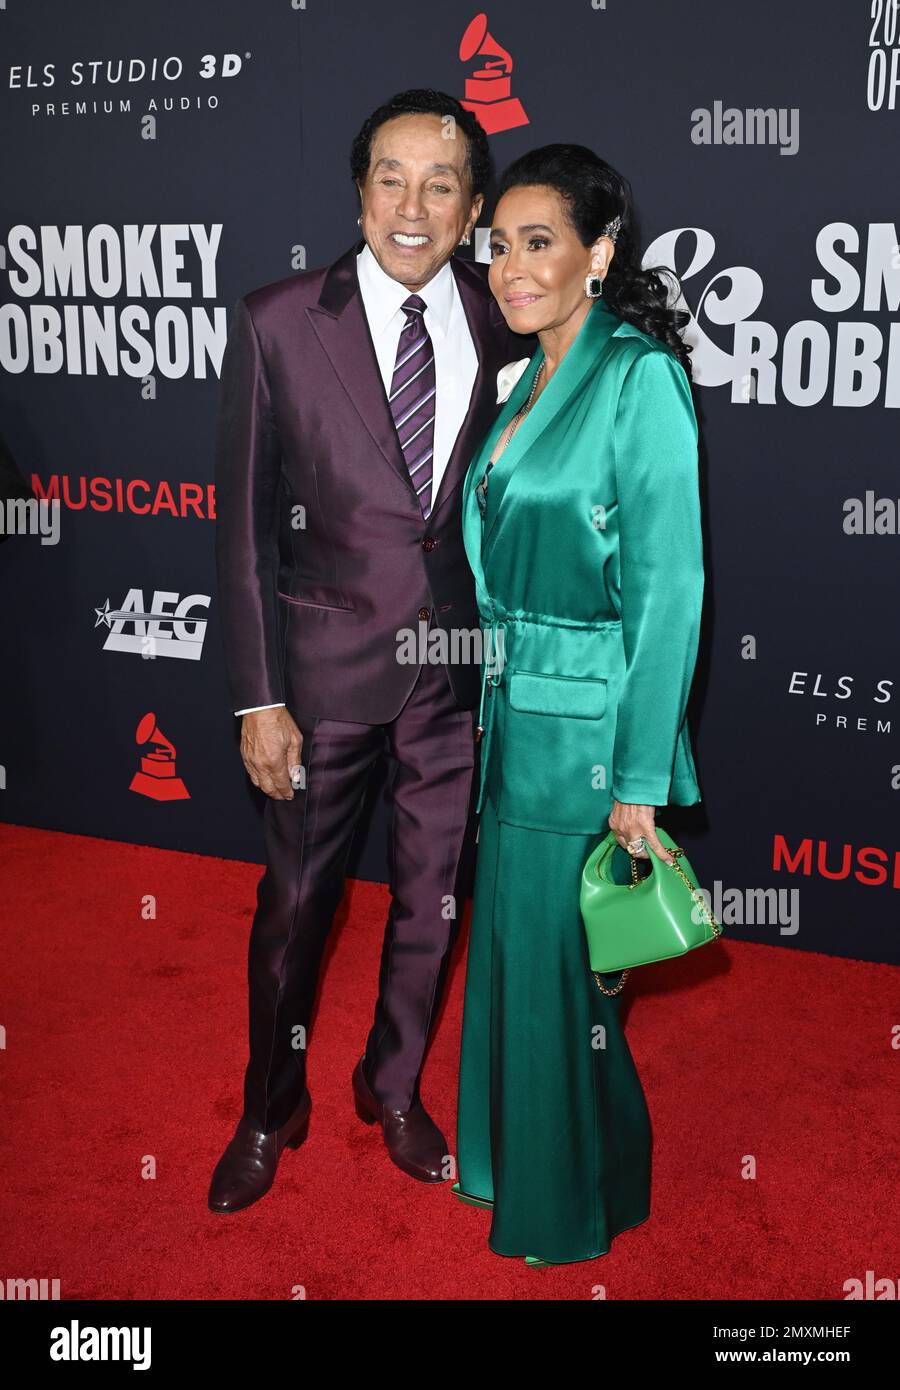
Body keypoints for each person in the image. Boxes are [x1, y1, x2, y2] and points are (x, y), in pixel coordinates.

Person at [208, 89, 528, 1213]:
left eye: (441, 183)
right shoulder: (278, 319)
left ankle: (391, 1085)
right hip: (321, 683)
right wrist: (257, 698)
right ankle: (268, 1102)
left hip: (453, 679)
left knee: (433, 904)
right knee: (296, 909)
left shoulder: (505, 320)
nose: (412, 203)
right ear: (357, 192)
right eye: (390, 177)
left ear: (474, 205)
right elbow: (245, 523)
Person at [453, 144, 706, 1265]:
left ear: (599, 253)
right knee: (518, 957)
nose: (511, 266)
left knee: (572, 979)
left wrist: (643, 777)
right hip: (513, 726)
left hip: (591, 738)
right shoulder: (526, 379)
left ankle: (577, 1197)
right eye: (498, 243)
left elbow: (670, 588)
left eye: (538, 241)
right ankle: (518, 1160)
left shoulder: (636, 377)